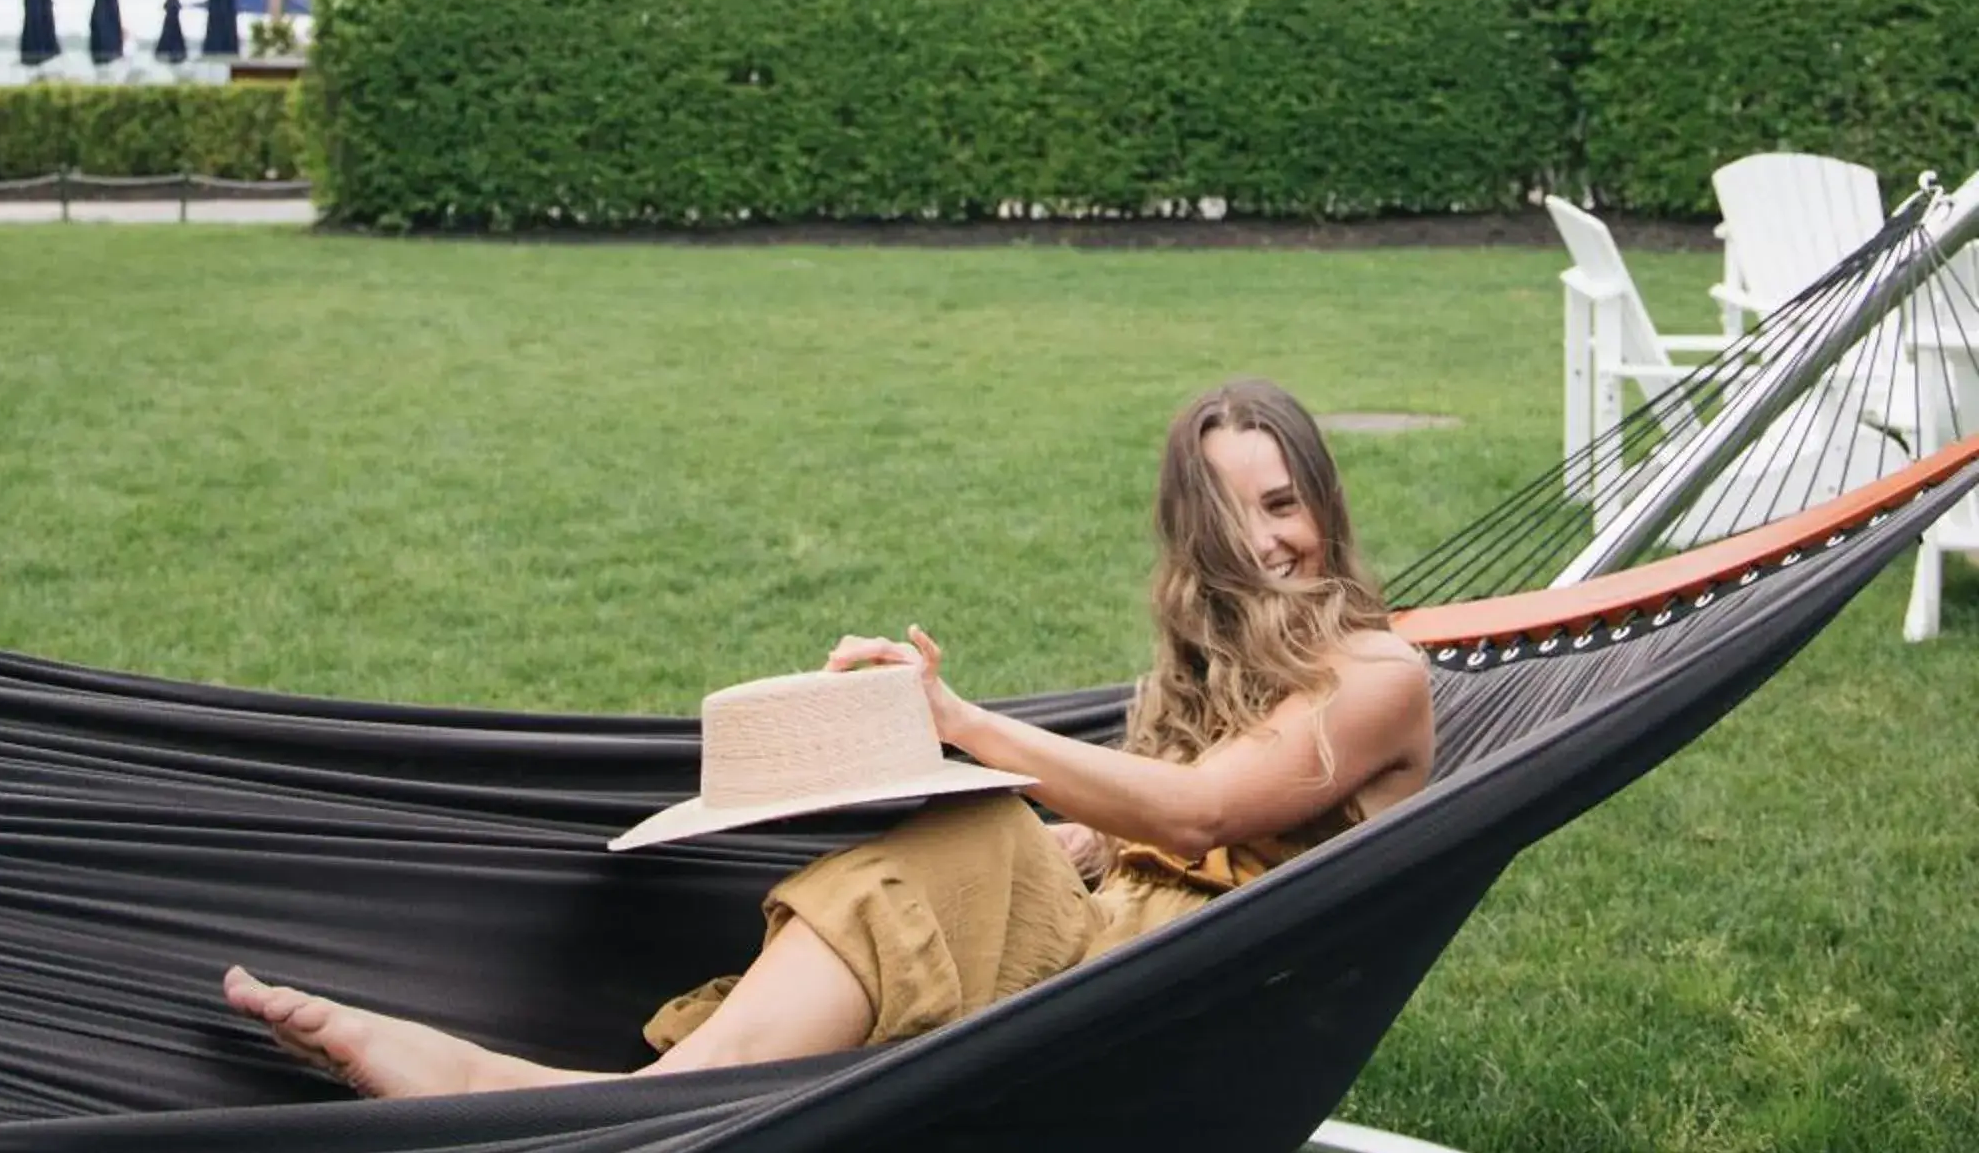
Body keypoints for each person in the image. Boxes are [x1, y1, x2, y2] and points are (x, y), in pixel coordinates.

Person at [223, 379, 1434, 1096]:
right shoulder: (1218, 669)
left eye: (1284, 505)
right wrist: (1067, 836)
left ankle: (567, 1102)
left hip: (1200, 1004)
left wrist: (958, 724)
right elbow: (1167, 823)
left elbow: (1206, 816)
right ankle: (597, 1099)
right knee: (973, 833)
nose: (1268, 544)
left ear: (1325, 498)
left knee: (972, 832)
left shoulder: (1378, 674)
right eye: (1232, 518)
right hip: (1120, 952)